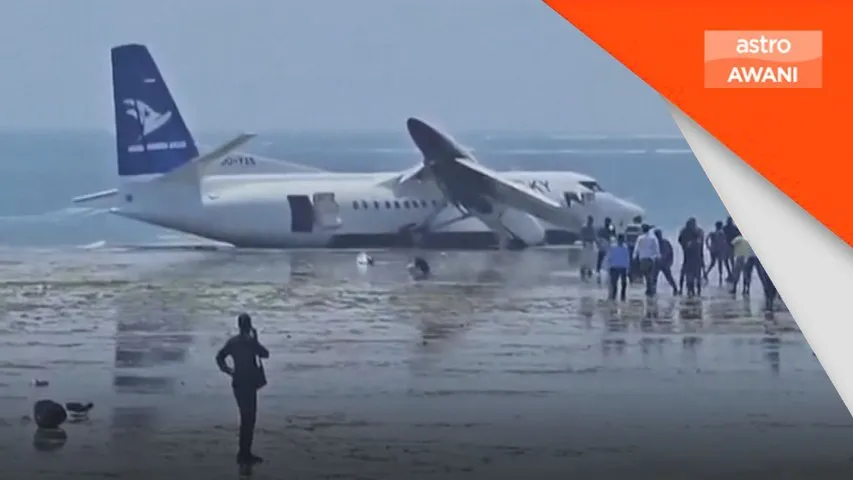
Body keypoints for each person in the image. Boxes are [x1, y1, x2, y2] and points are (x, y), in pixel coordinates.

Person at [216, 313, 270, 466]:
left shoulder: (233, 342)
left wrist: (228, 370)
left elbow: (219, 357)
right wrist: (256, 340)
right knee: (249, 419)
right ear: (249, 325)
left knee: (245, 417)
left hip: (238, 381)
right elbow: (265, 354)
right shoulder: (250, 343)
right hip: (249, 383)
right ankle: (244, 453)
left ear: (239, 325)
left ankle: (244, 452)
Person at [632, 224, 661, 297]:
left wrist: (634, 256)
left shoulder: (640, 238)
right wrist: (658, 255)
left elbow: (637, 248)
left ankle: (649, 290)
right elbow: (656, 247)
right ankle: (650, 289)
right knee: (649, 274)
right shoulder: (653, 238)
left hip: (643, 259)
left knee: (646, 275)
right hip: (651, 259)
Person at [678, 218, 704, 297]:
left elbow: (680, 240)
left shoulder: (696, 232)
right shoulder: (697, 231)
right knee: (690, 274)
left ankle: (693, 290)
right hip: (690, 256)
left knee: (692, 274)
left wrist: (685, 246)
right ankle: (686, 289)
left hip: (693, 256)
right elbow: (680, 240)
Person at [728, 229, 754, 295]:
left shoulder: (738, 238)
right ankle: (746, 289)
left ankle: (734, 289)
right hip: (747, 258)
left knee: (736, 274)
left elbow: (731, 244)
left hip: (739, 258)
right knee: (747, 275)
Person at [704, 221, 730, 285]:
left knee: (712, 263)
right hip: (719, 250)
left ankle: (706, 274)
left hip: (713, 250)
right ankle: (720, 277)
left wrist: (708, 246)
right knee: (719, 263)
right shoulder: (721, 233)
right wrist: (726, 248)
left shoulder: (712, 233)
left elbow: (706, 239)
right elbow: (724, 242)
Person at [606, 234, 630, 301]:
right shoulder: (613, 247)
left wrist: (628, 267)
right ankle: (615, 296)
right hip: (616, 267)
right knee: (615, 284)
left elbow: (627, 258)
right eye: (621, 239)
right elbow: (609, 257)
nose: (622, 240)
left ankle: (622, 296)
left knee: (623, 283)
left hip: (621, 267)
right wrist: (608, 266)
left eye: (622, 239)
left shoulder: (625, 247)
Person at [654, 228, 678, 295]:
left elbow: (671, 252)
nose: (658, 236)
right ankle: (653, 291)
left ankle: (675, 289)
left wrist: (671, 261)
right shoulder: (654, 242)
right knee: (654, 278)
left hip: (665, 264)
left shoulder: (665, 242)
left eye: (659, 234)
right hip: (657, 263)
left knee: (669, 278)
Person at [595, 217, 616, 284]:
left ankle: (606, 273)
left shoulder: (610, 228)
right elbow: (598, 238)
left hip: (608, 246)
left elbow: (614, 235)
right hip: (603, 246)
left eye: (608, 222)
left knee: (606, 260)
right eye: (607, 222)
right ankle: (598, 274)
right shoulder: (602, 229)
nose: (608, 223)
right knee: (600, 260)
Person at [624, 215, 643, 283]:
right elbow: (641, 238)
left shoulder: (628, 226)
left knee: (630, 263)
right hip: (637, 248)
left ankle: (631, 278)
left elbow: (625, 237)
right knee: (638, 263)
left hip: (629, 247)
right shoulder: (640, 227)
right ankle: (639, 278)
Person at [578, 216, 597, 282]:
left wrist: (596, 242)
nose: (591, 222)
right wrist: (583, 242)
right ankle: (583, 271)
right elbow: (582, 235)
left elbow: (594, 236)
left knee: (590, 259)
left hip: (591, 244)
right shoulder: (584, 227)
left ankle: (589, 271)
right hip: (586, 243)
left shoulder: (592, 228)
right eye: (590, 220)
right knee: (584, 259)